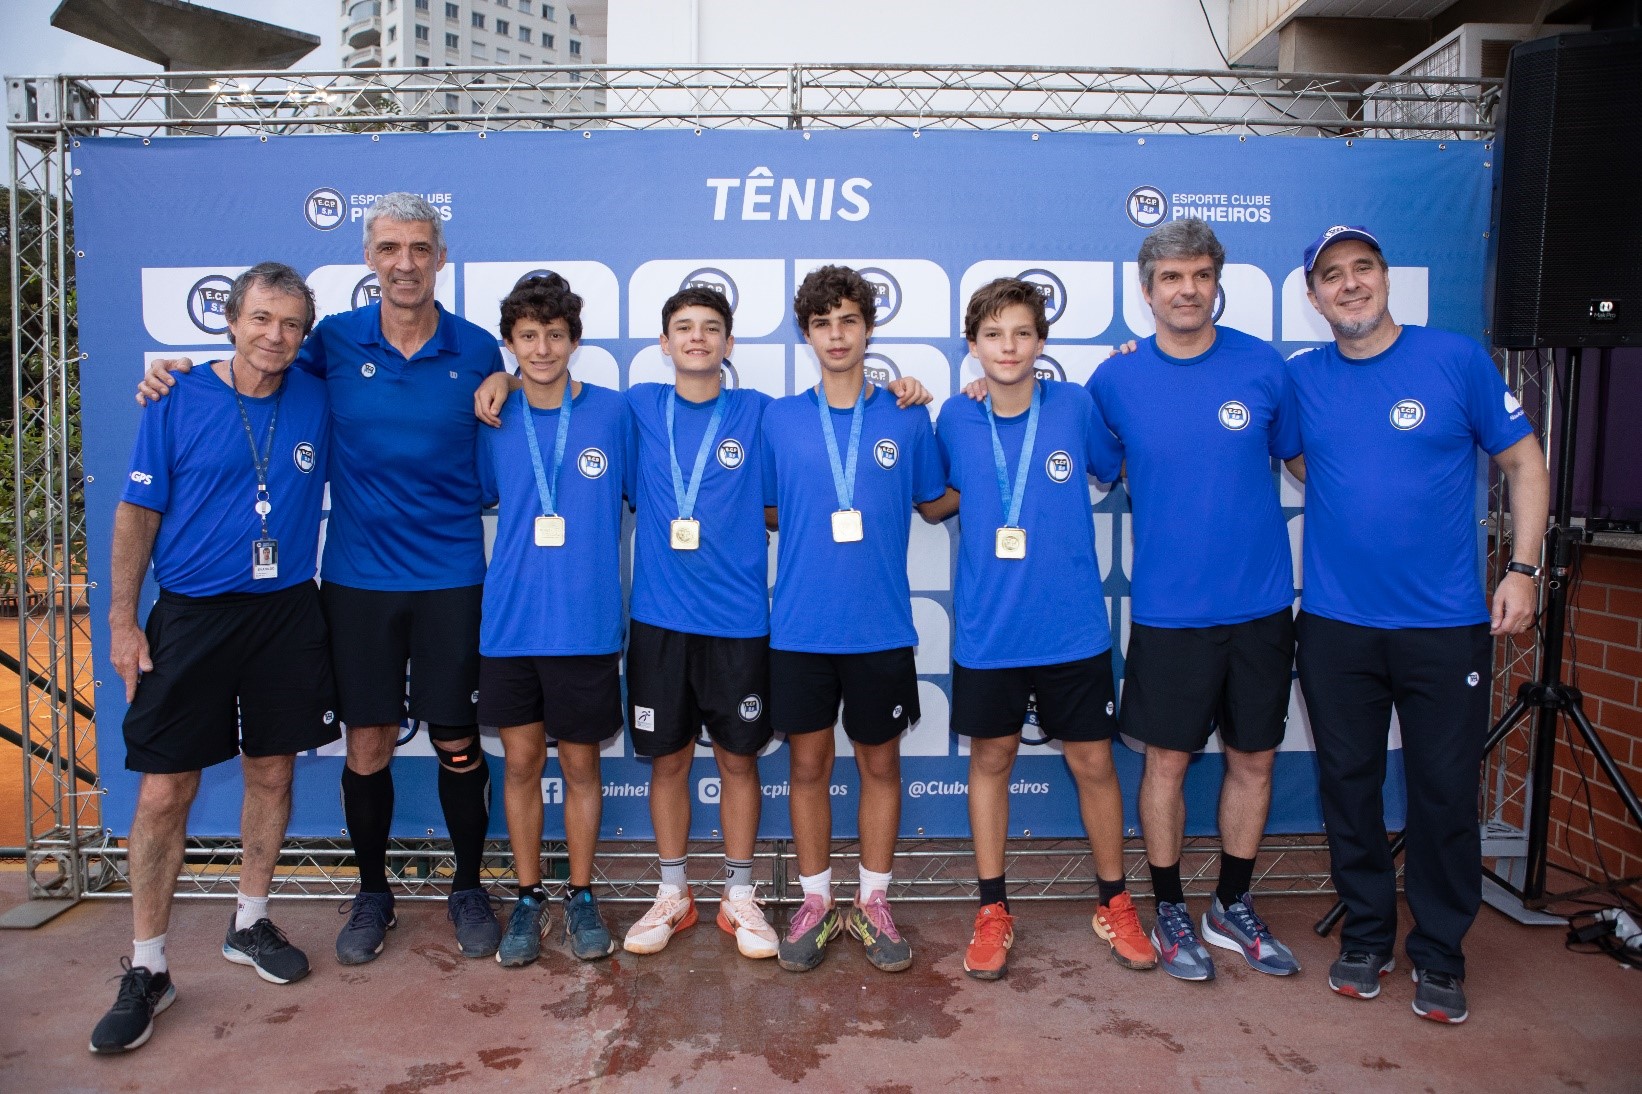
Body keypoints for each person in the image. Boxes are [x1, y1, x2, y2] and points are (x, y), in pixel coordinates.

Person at [137, 194, 506, 965]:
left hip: (451, 577)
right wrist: (172, 374)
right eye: (389, 247)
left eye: (419, 247)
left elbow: (522, 402)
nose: (404, 262)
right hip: (356, 580)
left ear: (442, 257)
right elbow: (250, 373)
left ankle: (468, 886)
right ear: (369, 258)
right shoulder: (329, 342)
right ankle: (373, 893)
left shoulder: (477, 350)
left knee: (456, 738)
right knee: (366, 741)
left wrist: (504, 381)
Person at [1290, 224, 1548, 1024]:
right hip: (1335, 628)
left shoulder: (1456, 359)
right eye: (1332, 275)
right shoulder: (1303, 381)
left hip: (1443, 627)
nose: (1350, 284)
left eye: (1363, 267)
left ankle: (1439, 953)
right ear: (1314, 297)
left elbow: (1525, 463)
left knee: (1442, 794)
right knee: (1350, 789)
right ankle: (1367, 938)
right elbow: (1301, 460)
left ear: (1384, 276)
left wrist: (1524, 568)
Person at [94, 263, 337, 1053]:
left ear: (306, 334)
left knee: (272, 770)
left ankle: (251, 921)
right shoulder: (177, 397)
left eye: (291, 324)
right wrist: (124, 622)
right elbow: (137, 513)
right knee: (166, 791)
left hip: (286, 612)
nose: (276, 336)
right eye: (262, 319)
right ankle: (149, 966)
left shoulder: (316, 394)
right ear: (230, 321)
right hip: (192, 617)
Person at [1087, 218, 1304, 982]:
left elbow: (1310, 466)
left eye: (1201, 275)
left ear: (1218, 282)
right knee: (1169, 765)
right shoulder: (1113, 380)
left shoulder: (1264, 369)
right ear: (1146, 291)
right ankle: (1172, 908)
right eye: (1171, 278)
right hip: (1171, 614)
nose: (1187, 290)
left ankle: (1231, 905)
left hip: (1261, 608)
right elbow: (1070, 452)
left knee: (1253, 759)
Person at [937, 278, 1153, 982]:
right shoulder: (954, 418)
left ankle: (1114, 902)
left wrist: (1132, 369)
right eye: (994, 335)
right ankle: (993, 909)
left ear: (1042, 343)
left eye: (1023, 333)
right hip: (990, 633)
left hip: (1071, 631)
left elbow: (1114, 463)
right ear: (973, 347)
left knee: (1094, 763)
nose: (1009, 347)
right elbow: (934, 499)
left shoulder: (1075, 405)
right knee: (990, 761)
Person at [763, 265, 950, 974]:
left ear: (869, 328)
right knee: (807, 766)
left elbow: (935, 498)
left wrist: (965, 405)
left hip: (879, 629)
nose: (836, 335)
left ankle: (873, 901)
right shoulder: (779, 418)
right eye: (822, 323)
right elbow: (767, 508)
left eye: (848, 320)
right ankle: (814, 902)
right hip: (802, 630)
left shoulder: (907, 414)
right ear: (806, 333)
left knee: (881, 765)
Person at [480, 274, 632, 966]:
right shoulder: (490, 415)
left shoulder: (612, 415)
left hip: (586, 623)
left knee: (579, 763)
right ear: (511, 343)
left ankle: (579, 893)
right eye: (528, 336)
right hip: (512, 621)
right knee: (517, 762)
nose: (542, 348)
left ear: (575, 340)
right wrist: (495, 384)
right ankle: (529, 894)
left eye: (555, 335)